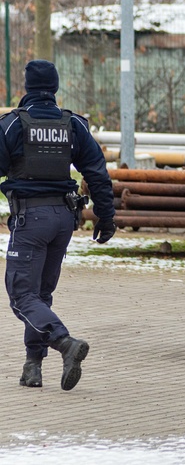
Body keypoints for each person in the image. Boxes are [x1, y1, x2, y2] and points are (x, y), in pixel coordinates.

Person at [0, 59, 116, 391]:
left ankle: (66, 344)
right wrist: (105, 217)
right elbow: (97, 172)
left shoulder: (11, 125)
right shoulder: (73, 124)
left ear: (26, 86)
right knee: (40, 295)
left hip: (30, 219)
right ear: (55, 86)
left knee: (22, 296)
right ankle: (32, 367)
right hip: (64, 219)